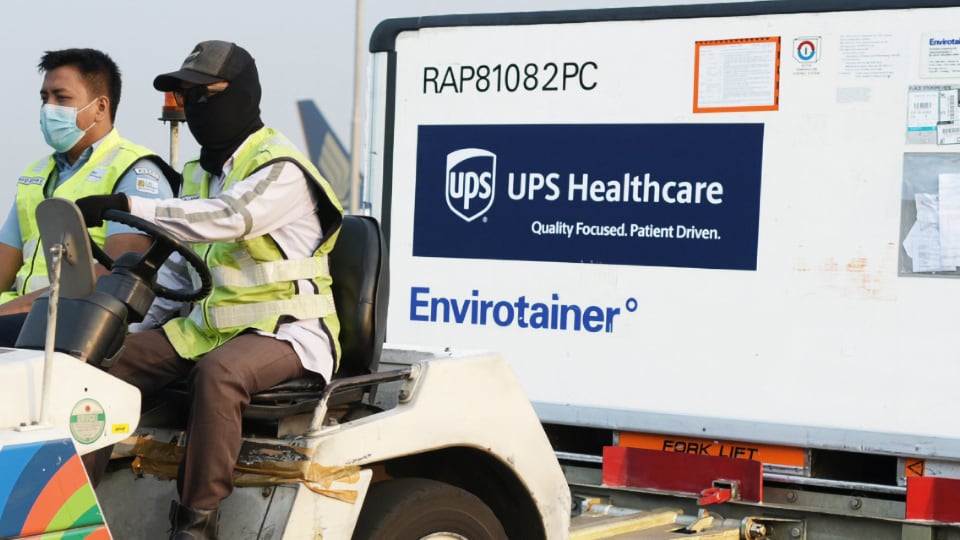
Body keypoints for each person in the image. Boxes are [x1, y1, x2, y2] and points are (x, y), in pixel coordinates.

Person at [76, 40, 344, 540]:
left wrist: (127, 202)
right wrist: (127, 325)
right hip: (208, 329)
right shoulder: (200, 173)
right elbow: (181, 270)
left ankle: (196, 523)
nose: (196, 107)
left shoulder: (279, 167)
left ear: (242, 94)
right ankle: (73, 510)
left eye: (207, 95)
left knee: (219, 375)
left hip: (287, 333)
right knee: (100, 367)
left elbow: (232, 218)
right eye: (186, 97)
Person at [0, 48, 179, 345]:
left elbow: (119, 273)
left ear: (100, 107)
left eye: (62, 97)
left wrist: (17, 308)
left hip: (78, 323)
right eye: (45, 98)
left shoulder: (136, 171)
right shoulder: (37, 172)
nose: (49, 108)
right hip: (23, 319)